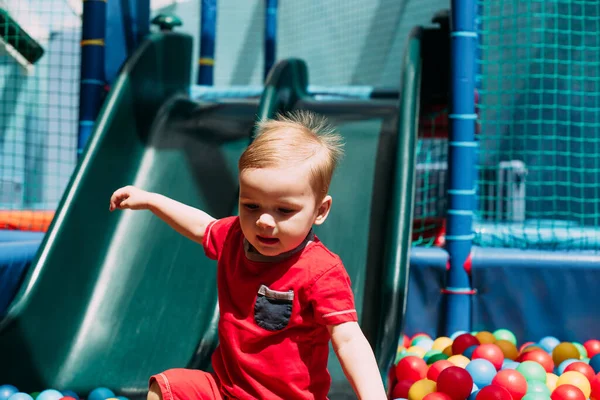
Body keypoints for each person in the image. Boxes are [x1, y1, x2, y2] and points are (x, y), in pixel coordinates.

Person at [109, 110, 387, 400]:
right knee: (167, 388)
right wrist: (152, 200)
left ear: (320, 210)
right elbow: (201, 225)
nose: (264, 221)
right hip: (227, 391)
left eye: (284, 210)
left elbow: (348, 339)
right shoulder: (234, 238)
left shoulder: (320, 271)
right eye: (251, 206)